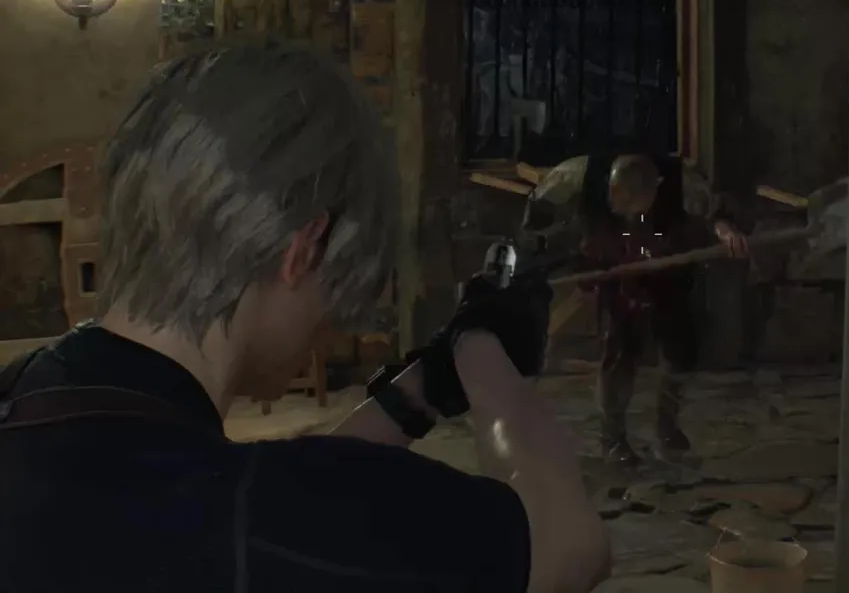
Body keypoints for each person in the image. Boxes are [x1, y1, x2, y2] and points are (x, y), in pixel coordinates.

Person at [0, 41, 611, 592]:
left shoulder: (30, 394)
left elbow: (278, 512)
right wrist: (482, 348)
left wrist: (420, 389)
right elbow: (567, 546)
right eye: (336, 285)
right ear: (304, 250)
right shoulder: (237, 517)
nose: (330, 322)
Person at [522, 153, 749, 466]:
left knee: (680, 351)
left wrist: (725, 229)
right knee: (619, 353)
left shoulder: (682, 183)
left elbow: (713, 211)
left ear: (655, 190)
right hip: (614, 269)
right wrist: (539, 254)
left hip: (665, 264)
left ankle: (667, 426)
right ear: (610, 187)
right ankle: (613, 438)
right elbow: (536, 219)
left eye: (634, 203)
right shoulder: (573, 178)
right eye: (620, 200)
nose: (626, 208)